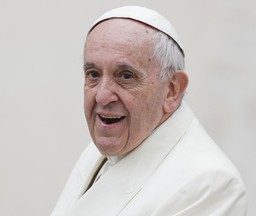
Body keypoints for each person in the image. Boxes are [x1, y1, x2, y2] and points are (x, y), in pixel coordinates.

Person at [50, 6, 248, 216]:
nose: (102, 96)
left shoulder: (211, 185)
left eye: (125, 76)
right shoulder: (97, 151)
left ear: (172, 90)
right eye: (93, 74)